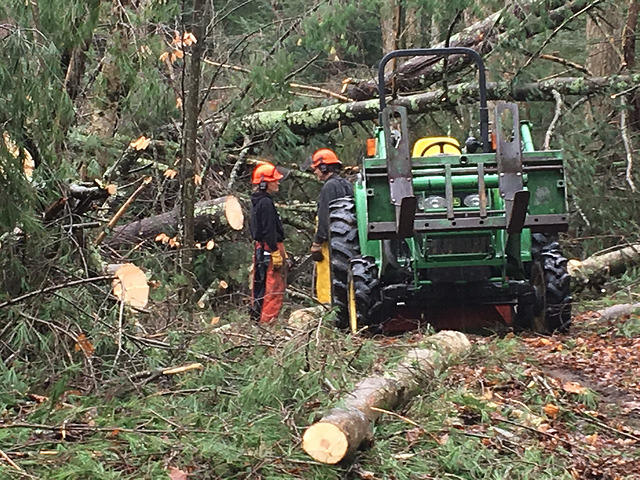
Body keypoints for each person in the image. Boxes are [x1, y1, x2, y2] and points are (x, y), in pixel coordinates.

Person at [308, 148, 353, 304]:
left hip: (331, 241)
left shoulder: (329, 187)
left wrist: (317, 242)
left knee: (327, 276)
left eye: (316, 169)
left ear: (324, 167)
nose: (315, 172)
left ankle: (328, 306)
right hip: (347, 242)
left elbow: (324, 216)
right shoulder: (346, 184)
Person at [249, 161, 288, 324]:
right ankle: (267, 323)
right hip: (269, 248)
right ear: (265, 183)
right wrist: (274, 251)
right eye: (274, 180)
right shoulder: (265, 203)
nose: (278, 182)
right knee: (272, 289)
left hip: (262, 248)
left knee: (260, 285)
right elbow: (269, 230)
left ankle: (256, 319)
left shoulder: (259, 201)